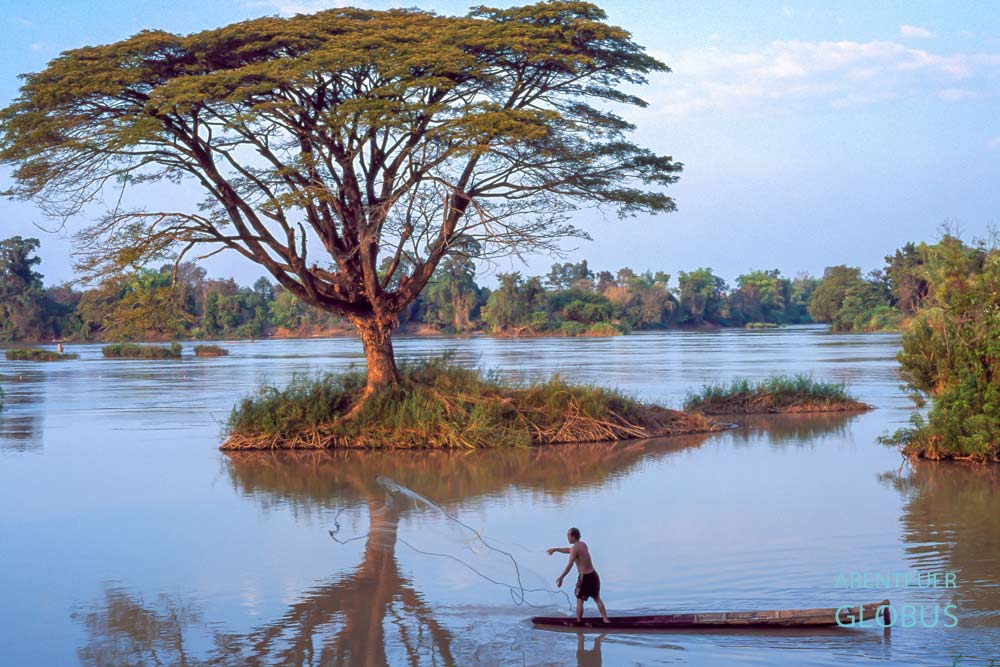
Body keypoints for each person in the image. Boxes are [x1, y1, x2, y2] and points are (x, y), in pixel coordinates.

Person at [547, 527, 610, 623]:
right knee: (597, 598)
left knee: (579, 600)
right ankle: (605, 619)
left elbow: (570, 564)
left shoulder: (574, 549)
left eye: (568, 536)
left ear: (572, 536)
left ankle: (579, 621)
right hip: (593, 575)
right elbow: (570, 550)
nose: (567, 538)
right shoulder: (583, 544)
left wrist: (561, 577)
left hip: (584, 577)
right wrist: (556, 549)